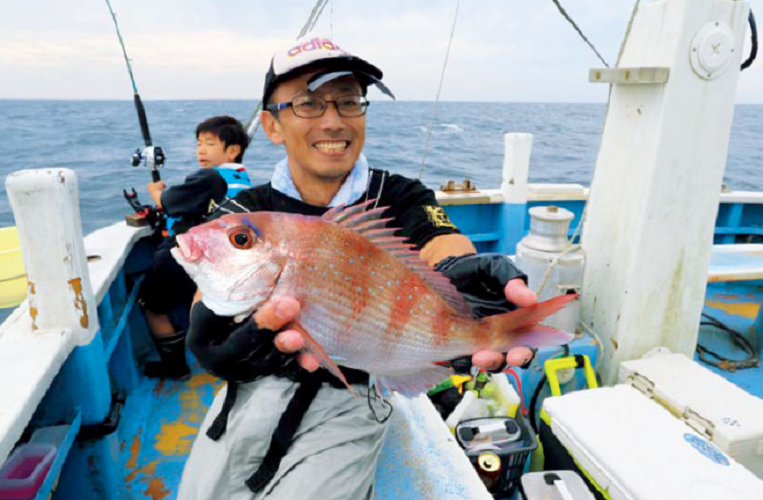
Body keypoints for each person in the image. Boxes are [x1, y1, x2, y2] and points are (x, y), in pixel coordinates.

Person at [177, 36, 538, 499]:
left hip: (352, 393)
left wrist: (462, 269)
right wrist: (208, 330)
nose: (333, 119)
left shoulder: (401, 196)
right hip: (246, 395)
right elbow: (206, 297)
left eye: (348, 101)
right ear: (271, 125)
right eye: (308, 103)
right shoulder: (247, 210)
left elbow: (440, 244)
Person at [139, 116, 252, 379]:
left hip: (181, 256)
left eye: (210, 144)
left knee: (152, 306)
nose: (201, 150)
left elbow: (167, 201)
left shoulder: (209, 177)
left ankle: (175, 367)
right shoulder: (240, 177)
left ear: (232, 150)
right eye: (199, 144)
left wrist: (155, 190)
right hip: (218, 260)